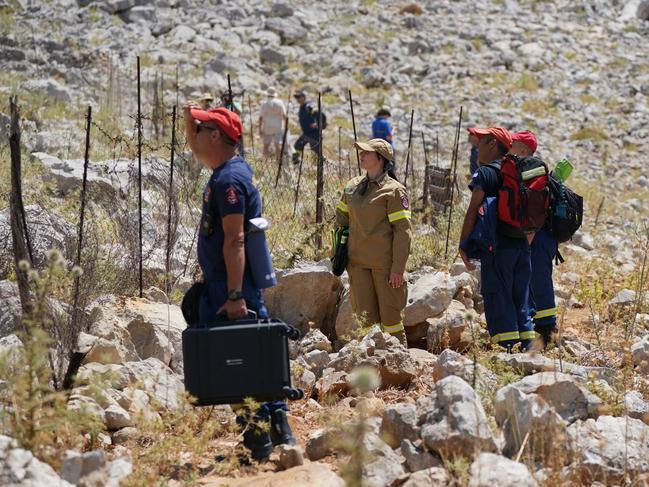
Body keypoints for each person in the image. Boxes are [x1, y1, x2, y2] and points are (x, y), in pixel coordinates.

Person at [183, 104, 294, 461]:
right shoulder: (228, 169)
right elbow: (194, 143)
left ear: (216, 136)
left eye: (201, 130)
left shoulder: (229, 181)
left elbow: (235, 241)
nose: (194, 137)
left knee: (238, 362)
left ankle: (259, 444)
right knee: (255, 357)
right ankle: (281, 434)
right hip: (230, 283)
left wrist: (233, 295)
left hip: (231, 287)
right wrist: (190, 118)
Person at [459, 127, 536, 351]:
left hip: (497, 247)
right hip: (521, 244)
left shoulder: (486, 173)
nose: (477, 147)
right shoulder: (521, 170)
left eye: (481, 142)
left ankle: (507, 349)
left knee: (498, 295)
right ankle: (529, 346)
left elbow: (473, 210)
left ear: (492, 144)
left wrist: (464, 244)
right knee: (520, 296)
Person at [335, 139, 411, 346]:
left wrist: (398, 268)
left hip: (384, 267)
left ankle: (401, 371)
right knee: (365, 322)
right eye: (361, 152)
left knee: (391, 322)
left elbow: (403, 232)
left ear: (380, 158)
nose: (361, 155)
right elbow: (340, 223)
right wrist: (338, 256)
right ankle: (370, 365)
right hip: (358, 264)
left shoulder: (394, 191)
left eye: (367, 152)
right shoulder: (351, 187)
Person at [509, 130, 558, 348]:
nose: (509, 146)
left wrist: (527, 238)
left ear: (524, 149)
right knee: (532, 279)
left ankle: (546, 329)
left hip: (538, 235)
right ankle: (537, 323)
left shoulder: (532, 169)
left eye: (514, 143)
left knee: (538, 279)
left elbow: (534, 207)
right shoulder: (528, 168)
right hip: (540, 234)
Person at [292, 90, 321, 164]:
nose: (298, 99)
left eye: (299, 97)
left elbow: (314, 112)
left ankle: (320, 164)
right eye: (297, 97)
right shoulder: (302, 107)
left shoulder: (307, 105)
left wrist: (315, 122)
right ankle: (296, 162)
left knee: (316, 150)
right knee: (298, 145)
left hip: (313, 133)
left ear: (304, 97)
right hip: (306, 133)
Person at [258, 87, 287, 161]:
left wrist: (260, 129)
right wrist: (286, 125)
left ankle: (265, 161)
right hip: (278, 126)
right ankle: (278, 160)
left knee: (266, 145)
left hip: (267, 126)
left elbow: (261, 117)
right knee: (277, 144)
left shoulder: (264, 104)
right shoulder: (280, 102)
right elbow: (284, 115)